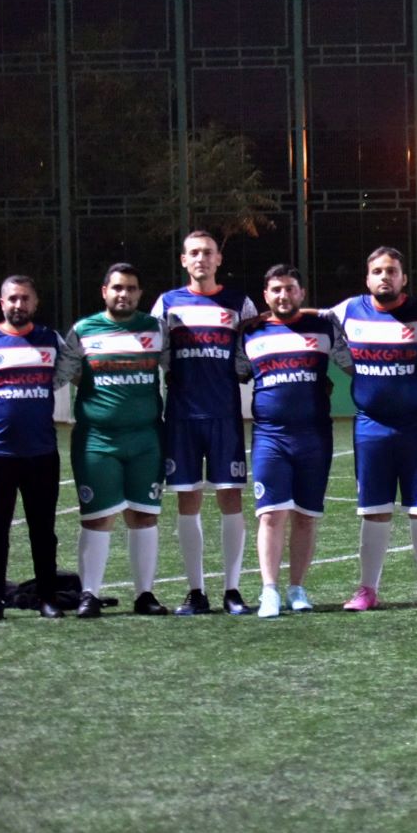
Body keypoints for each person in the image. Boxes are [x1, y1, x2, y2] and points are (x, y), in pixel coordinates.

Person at [324, 246, 417, 611]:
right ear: (367, 278)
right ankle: (367, 590)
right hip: (372, 425)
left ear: (404, 278)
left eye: (392, 271)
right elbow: (318, 326)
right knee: (373, 509)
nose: (385, 277)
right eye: (378, 271)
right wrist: (352, 367)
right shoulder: (348, 311)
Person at [54, 263, 168, 617]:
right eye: (117, 288)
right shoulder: (83, 331)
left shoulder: (156, 329)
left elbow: (178, 371)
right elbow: (61, 375)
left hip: (146, 439)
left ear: (140, 293)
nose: (124, 294)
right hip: (97, 441)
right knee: (97, 517)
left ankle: (145, 595)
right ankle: (89, 594)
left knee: (144, 516)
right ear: (104, 291)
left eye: (131, 288)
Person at [152, 230, 257, 615]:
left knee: (231, 498)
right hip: (181, 416)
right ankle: (196, 591)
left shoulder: (239, 303)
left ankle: (232, 590)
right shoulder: (167, 303)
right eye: (194, 253)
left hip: (224, 415)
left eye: (207, 252)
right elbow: (157, 350)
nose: (201, 258)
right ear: (184, 260)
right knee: (188, 499)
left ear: (218, 260)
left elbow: (251, 350)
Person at [235, 264, 341, 617]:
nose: (284, 295)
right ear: (265, 296)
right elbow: (236, 372)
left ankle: (297, 588)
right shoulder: (251, 333)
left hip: (315, 436)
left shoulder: (324, 328)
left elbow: (352, 358)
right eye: (276, 290)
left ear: (302, 292)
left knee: (306, 517)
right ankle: (269, 591)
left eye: (290, 288)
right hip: (270, 436)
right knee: (271, 515)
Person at [0, 276, 65, 621]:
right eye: (13, 299)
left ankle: (47, 598)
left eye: (25, 298)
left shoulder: (51, 340)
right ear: (2, 303)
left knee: (43, 530)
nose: (19, 305)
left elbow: (69, 375)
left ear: (35, 303)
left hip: (41, 453)